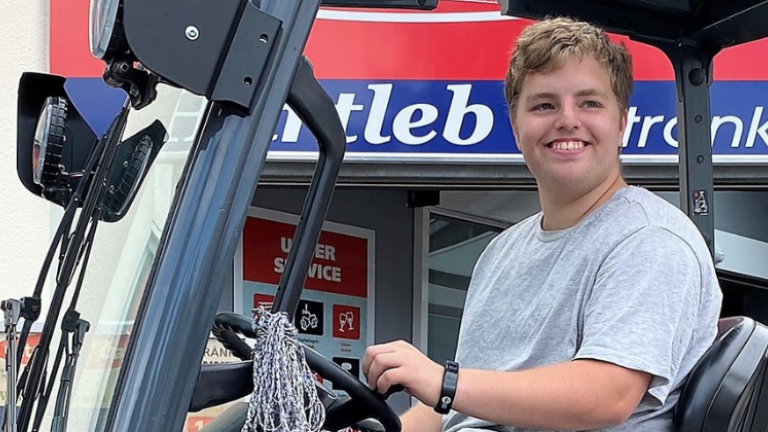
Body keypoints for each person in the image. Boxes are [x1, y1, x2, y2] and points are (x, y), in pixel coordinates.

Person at [362, 16, 723, 432]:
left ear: (621, 123)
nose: (567, 120)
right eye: (544, 105)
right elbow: (461, 405)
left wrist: (443, 382)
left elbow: (607, 395)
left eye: (589, 103)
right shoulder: (501, 252)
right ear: (516, 128)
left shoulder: (648, 239)